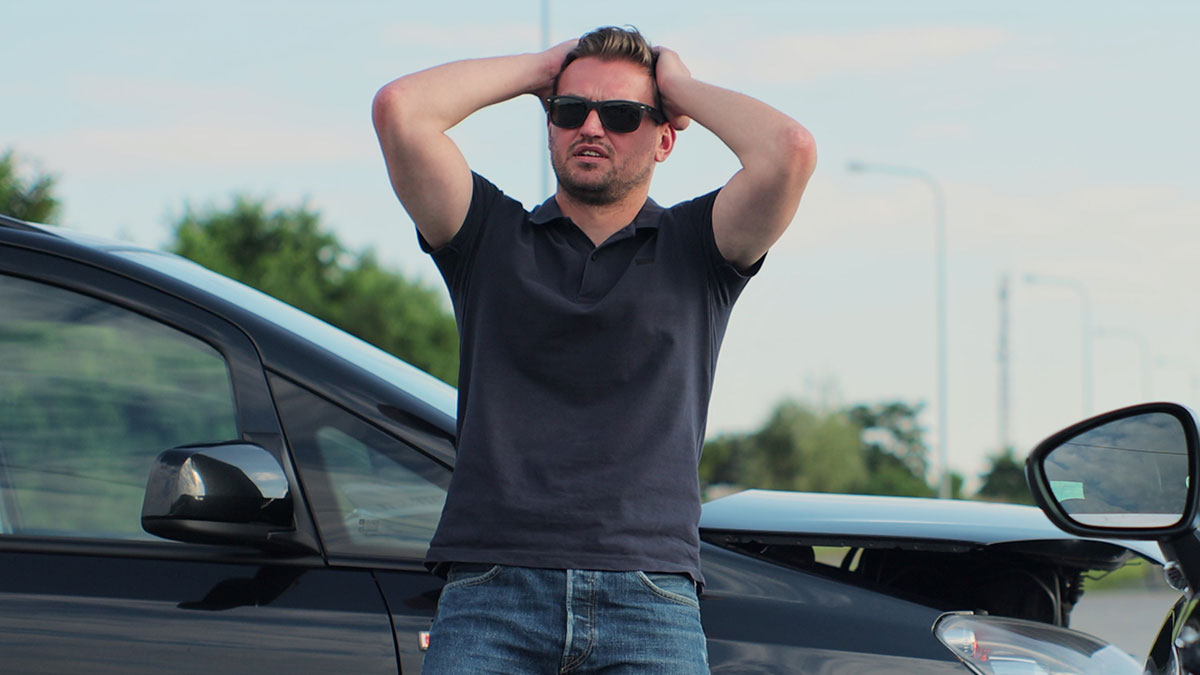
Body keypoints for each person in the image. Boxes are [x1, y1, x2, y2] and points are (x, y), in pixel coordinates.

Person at [372, 25, 815, 673]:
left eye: (622, 114)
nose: (592, 127)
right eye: (571, 110)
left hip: (650, 596)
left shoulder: (698, 248)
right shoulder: (489, 238)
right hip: (494, 589)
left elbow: (790, 151)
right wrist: (541, 68)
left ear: (666, 136)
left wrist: (678, 86)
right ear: (549, 123)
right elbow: (400, 111)